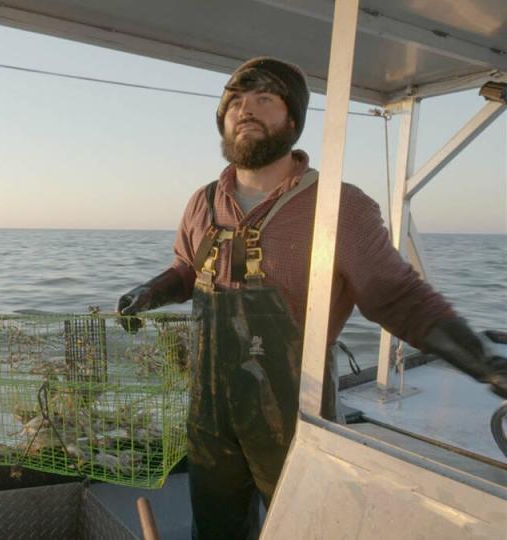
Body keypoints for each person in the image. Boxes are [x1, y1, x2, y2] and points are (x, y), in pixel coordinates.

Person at [115, 57, 507, 539]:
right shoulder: (203, 202)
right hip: (209, 416)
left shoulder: (339, 208)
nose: (246, 111)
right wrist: (150, 292)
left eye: (264, 100)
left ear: (293, 121)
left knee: (302, 527)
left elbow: (397, 296)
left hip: (295, 417)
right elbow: (186, 269)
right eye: (235, 102)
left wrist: (482, 360)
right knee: (215, 528)